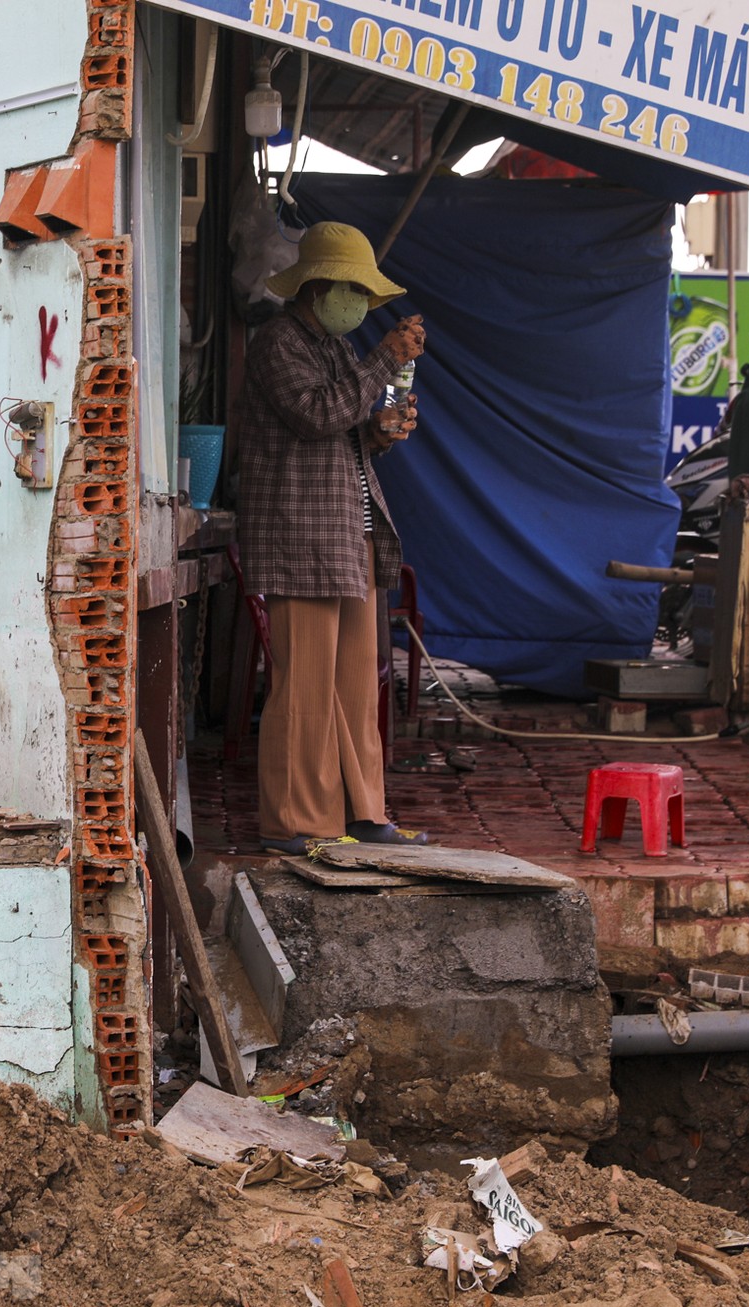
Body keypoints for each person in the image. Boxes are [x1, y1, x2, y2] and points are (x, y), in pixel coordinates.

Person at [233, 221, 428, 855]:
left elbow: (343, 431)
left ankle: (363, 811)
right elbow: (318, 415)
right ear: (320, 288)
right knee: (305, 685)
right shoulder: (276, 344)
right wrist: (385, 362)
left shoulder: (335, 351)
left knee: (353, 683)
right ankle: (293, 821)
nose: (362, 307)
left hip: (349, 534)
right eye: (354, 292)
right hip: (300, 537)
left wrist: (379, 433)